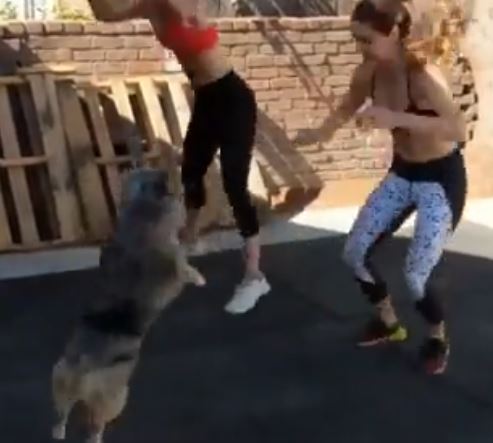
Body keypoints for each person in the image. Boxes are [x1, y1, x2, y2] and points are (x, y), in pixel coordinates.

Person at [298, 0, 467, 375]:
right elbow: (346, 107)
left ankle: (437, 336)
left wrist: (394, 117)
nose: (360, 48)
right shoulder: (368, 73)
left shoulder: (423, 76)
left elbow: (458, 129)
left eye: (366, 40)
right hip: (404, 172)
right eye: (355, 39)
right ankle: (389, 323)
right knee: (355, 252)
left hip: (441, 178)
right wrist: (319, 135)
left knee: (415, 274)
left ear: (392, 33)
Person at [88, 0, 271, 314]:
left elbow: (191, 15)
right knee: (192, 173)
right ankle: (187, 246)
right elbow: (106, 14)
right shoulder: (149, 4)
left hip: (231, 97)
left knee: (234, 185)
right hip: (205, 97)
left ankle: (255, 276)